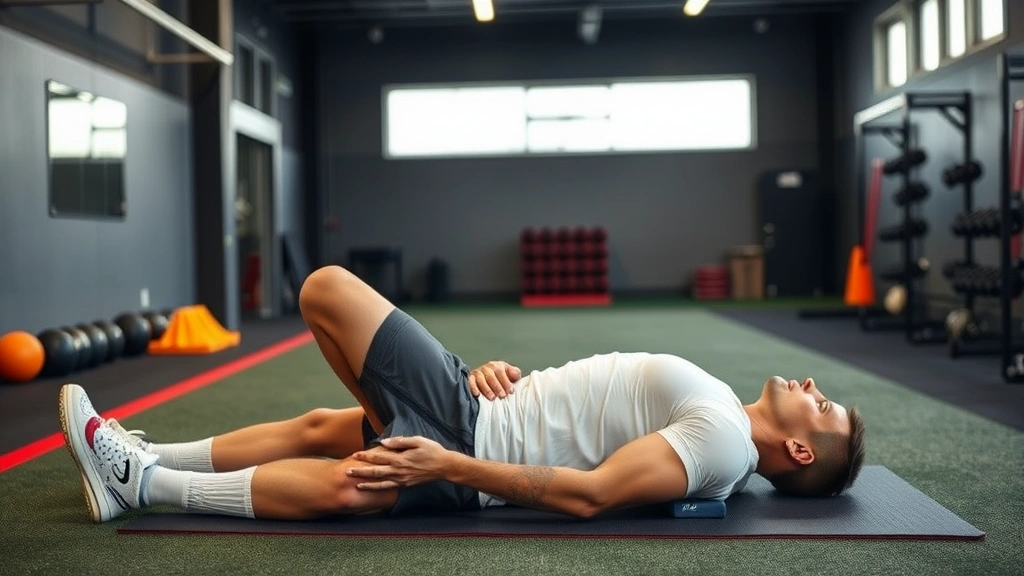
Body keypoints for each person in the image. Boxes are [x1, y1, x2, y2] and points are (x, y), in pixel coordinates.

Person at [59, 265, 866, 524]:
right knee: (326, 295)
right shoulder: (724, 407)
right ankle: (145, 451)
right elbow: (591, 406)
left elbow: (588, 496)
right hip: (477, 405)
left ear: (799, 451)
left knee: (353, 478)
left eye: (823, 407)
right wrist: (506, 376)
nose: (811, 387)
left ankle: (142, 484)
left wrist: (449, 461)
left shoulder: (724, 444)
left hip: (472, 443)